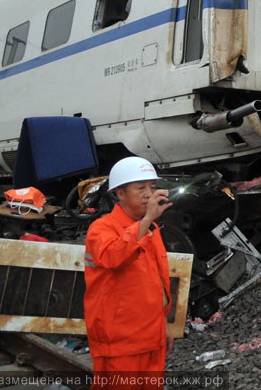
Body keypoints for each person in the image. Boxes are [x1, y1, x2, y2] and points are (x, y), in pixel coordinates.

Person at [84, 156, 174, 387]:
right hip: (121, 341)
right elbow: (114, 256)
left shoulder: (151, 228)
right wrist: (146, 220)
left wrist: (162, 326)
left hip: (150, 335)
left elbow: (155, 282)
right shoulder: (101, 229)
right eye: (140, 188)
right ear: (120, 193)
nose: (149, 194)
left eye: (152, 188)